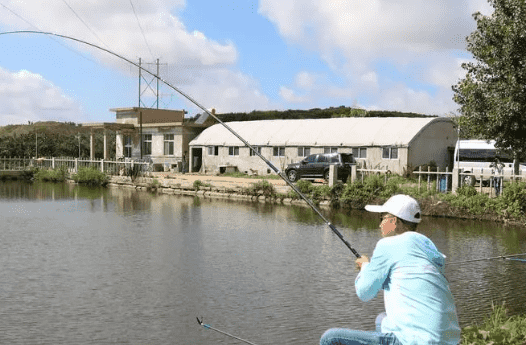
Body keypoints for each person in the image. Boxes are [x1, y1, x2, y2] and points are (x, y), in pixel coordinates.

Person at [320, 194, 461, 345]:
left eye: (382, 218)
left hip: (415, 342)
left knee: (330, 339)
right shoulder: (429, 248)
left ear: (393, 221)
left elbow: (365, 292)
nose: (379, 224)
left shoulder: (388, 244)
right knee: (382, 319)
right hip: (449, 341)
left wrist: (365, 267)